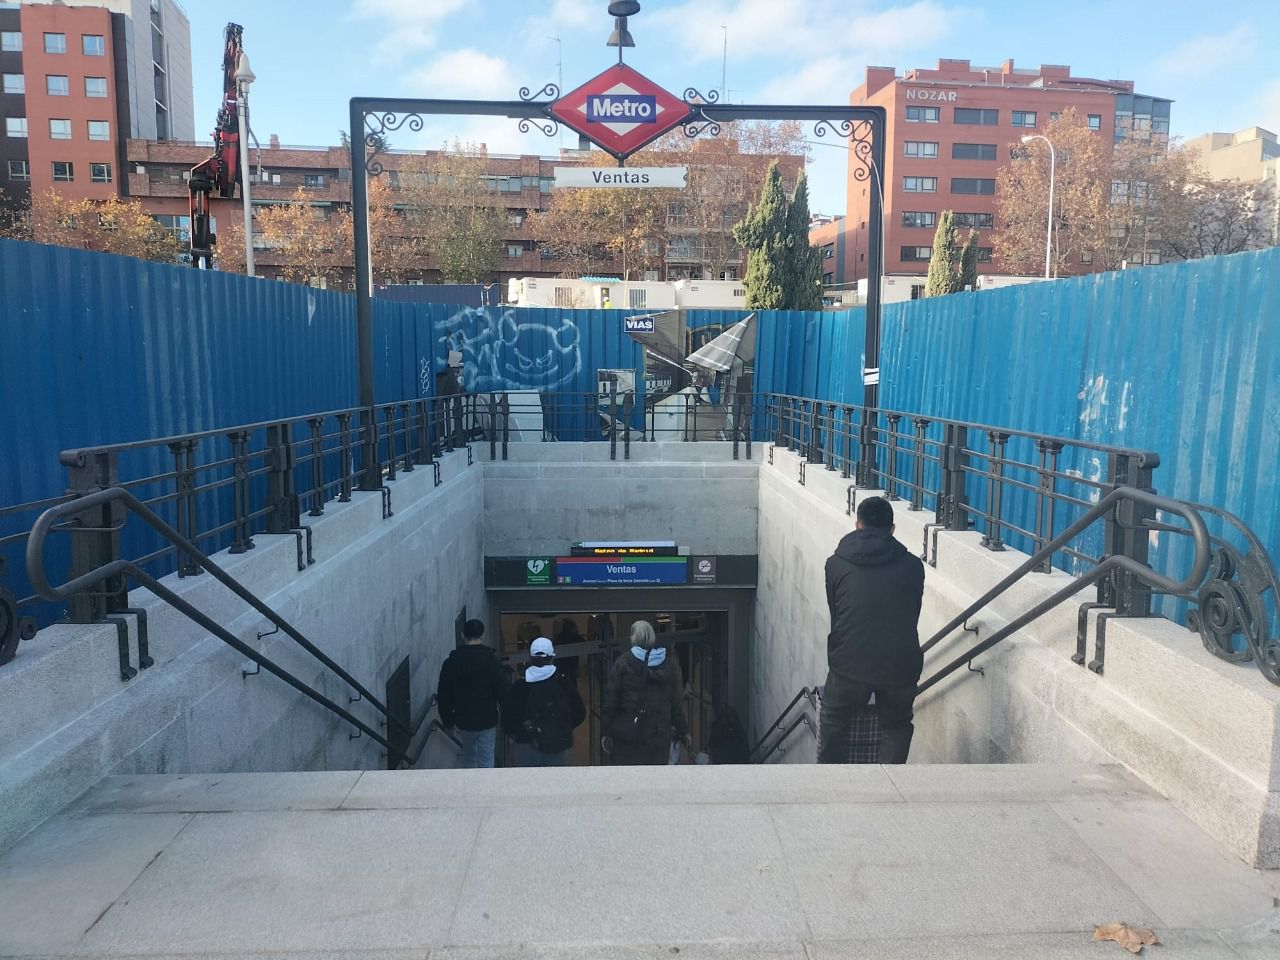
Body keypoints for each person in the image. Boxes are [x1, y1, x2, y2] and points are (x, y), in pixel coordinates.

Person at [820, 496, 925, 764]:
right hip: (900, 663)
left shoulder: (835, 564)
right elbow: (912, 613)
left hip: (849, 662)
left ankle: (830, 781)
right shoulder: (914, 566)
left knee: (834, 719)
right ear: (892, 529)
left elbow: (837, 613)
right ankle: (889, 786)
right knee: (896, 724)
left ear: (857, 525)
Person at [601, 620, 690, 765]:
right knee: (655, 780)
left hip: (629, 734)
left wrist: (606, 731)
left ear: (633, 638)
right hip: (659, 736)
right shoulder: (669, 665)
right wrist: (683, 730)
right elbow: (675, 704)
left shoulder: (623, 663)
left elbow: (611, 701)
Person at [436, 618, 508, 769]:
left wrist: (448, 721)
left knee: (469, 757)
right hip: (487, 719)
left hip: (463, 719)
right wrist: (508, 723)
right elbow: (503, 693)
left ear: (463, 635)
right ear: (483, 635)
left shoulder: (451, 662)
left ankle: (470, 788)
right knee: (487, 760)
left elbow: (444, 694)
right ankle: (485, 790)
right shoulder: (491, 661)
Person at [502, 637, 585, 767]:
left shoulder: (519, 686)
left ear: (530, 659)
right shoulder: (563, 682)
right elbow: (580, 713)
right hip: (558, 745)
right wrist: (561, 727)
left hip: (525, 745)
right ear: (552, 657)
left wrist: (519, 733)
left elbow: (507, 720)